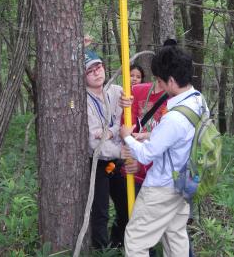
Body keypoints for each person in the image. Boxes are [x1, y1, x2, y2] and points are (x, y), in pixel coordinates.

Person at [120, 44, 208, 256]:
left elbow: (146, 154)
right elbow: (183, 136)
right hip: (185, 182)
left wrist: (127, 137)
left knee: (136, 240)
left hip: (162, 188)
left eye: (159, 80)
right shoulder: (198, 100)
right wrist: (150, 135)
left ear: (170, 80)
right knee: (175, 234)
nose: (157, 84)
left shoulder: (173, 117)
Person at [85, 50, 128, 249]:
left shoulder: (117, 91)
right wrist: (117, 142)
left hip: (120, 161)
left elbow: (125, 125)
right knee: (100, 211)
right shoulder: (83, 101)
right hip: (98, 163)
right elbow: (94, 144)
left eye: (99, 67)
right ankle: (102, 251)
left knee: (127, 206)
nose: (96, 73)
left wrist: (108, 131)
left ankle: (119, 243)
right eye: (90, 71)